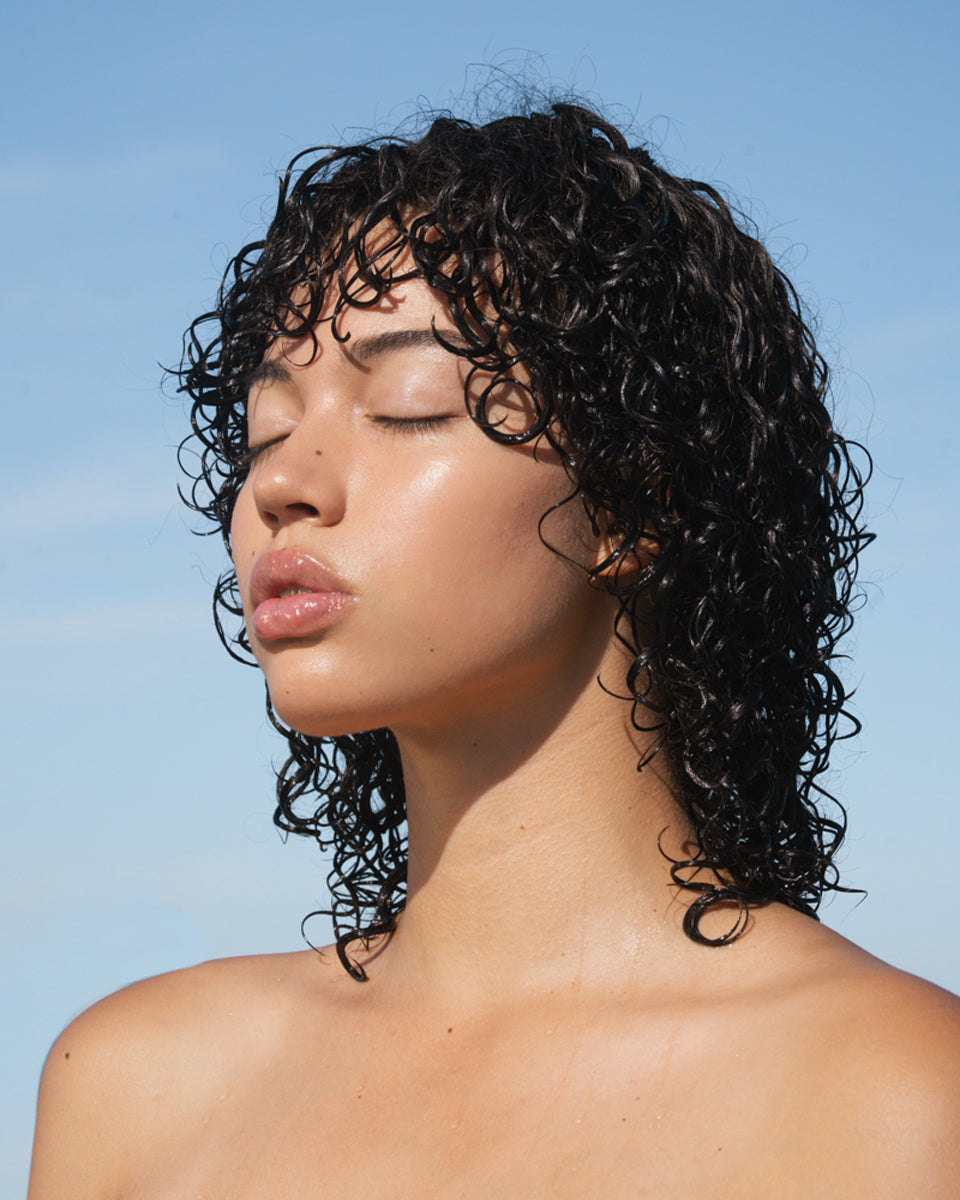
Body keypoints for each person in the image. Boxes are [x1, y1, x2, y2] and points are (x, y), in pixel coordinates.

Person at [28, 100, 960, 1198]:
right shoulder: (133, 1088)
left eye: (410, 406)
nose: (279, 484)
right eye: (264, 432)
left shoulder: (899, 1102)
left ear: (630, 503)